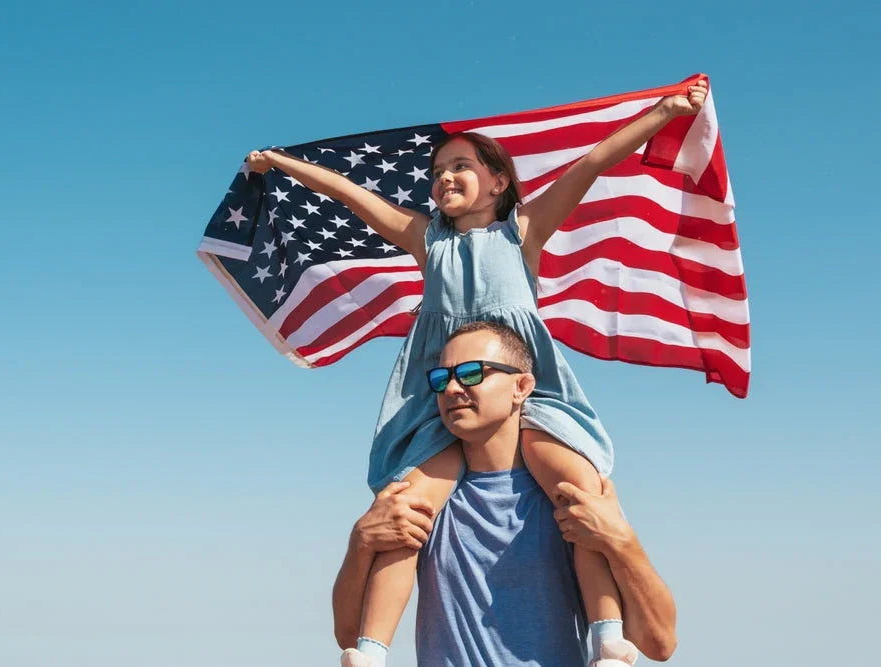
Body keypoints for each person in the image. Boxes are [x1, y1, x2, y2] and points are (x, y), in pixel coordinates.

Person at [246, 80, 706, 667]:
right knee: (405, 508)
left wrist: (665, 112)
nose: (444, 178)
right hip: (441, 397)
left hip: (525, 393)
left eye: (461, 166)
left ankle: (607, 635)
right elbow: (350, 195)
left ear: (499, 182)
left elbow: (592, 161)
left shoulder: (523, 232)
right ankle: (369, 651)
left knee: (579, 494)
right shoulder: (426, 239)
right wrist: (281, 163)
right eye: (437, 171)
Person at [332, 322, 677, 665]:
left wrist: (623, 543)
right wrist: (360, 542)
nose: (452, 388)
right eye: (441, 379)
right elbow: (349, 638)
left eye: (470, 374)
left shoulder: (571, 494)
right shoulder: (420, 498)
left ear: (522, 386)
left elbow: (659, 645)